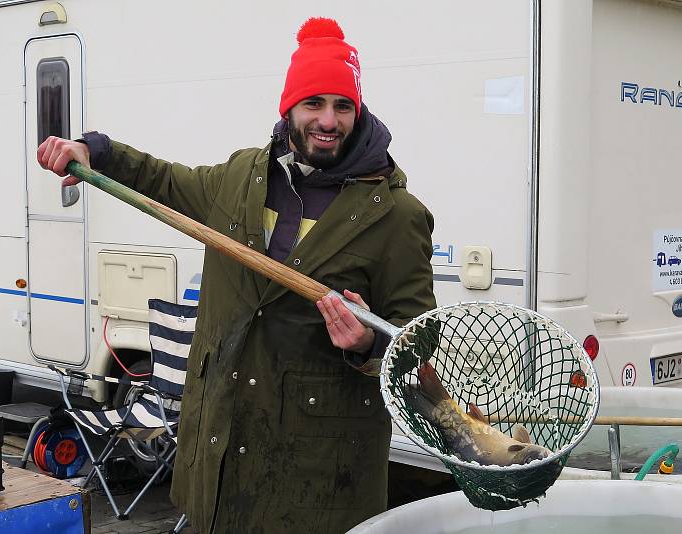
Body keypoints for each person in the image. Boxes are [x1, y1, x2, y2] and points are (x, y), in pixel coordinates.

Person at [38, 17, 436, 534]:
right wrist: (96, 150)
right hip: (221, 454)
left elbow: (418, 339)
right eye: (314, 103)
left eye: (343, 106)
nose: (328, 120)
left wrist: (366, 345)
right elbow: (162, 179)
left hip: (318, 474)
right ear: (288, 108)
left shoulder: (396, 215)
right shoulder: (241, 177)